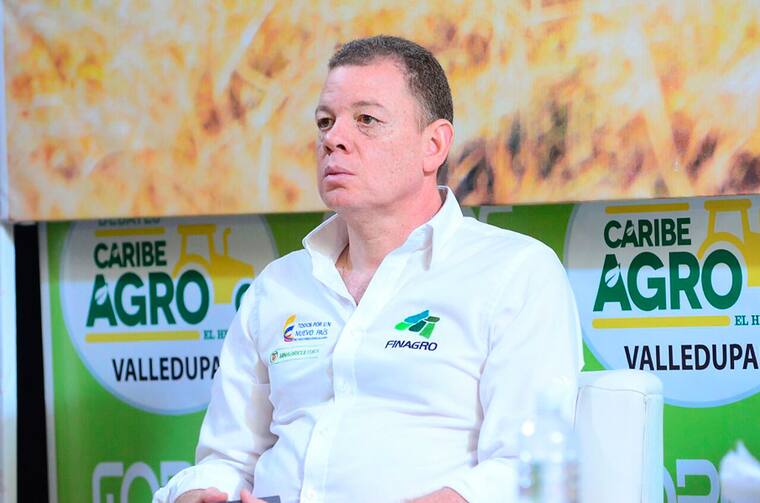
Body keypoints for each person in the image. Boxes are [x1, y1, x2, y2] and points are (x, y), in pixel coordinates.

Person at [154, 35, 582, 503]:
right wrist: (201, 493)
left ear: (434, 145)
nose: (333, 139)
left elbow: (529, 469)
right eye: (325, 121)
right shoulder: (278, 286)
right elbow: (227, 460)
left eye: (366, 120)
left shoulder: (514, 273)